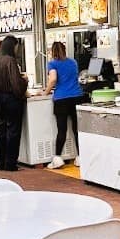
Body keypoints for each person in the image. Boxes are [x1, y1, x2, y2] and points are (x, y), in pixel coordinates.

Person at [0, 35, 27, 172]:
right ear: (12, 46)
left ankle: (1, 162)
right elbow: (16, 84)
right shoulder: (11, 61)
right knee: (13, 131)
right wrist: (25, 81)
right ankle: (11, 163)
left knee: (2, 129)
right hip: (12, 100)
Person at [44, 41, 83, 169]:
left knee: (62, 130)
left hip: (61, 99)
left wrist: (45, 92)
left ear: (52, 52)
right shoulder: (73, 62)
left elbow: (53, 79)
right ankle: (80, 157)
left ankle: (57, 158)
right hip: (77, 96)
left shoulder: (52, 64)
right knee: (77, 129)